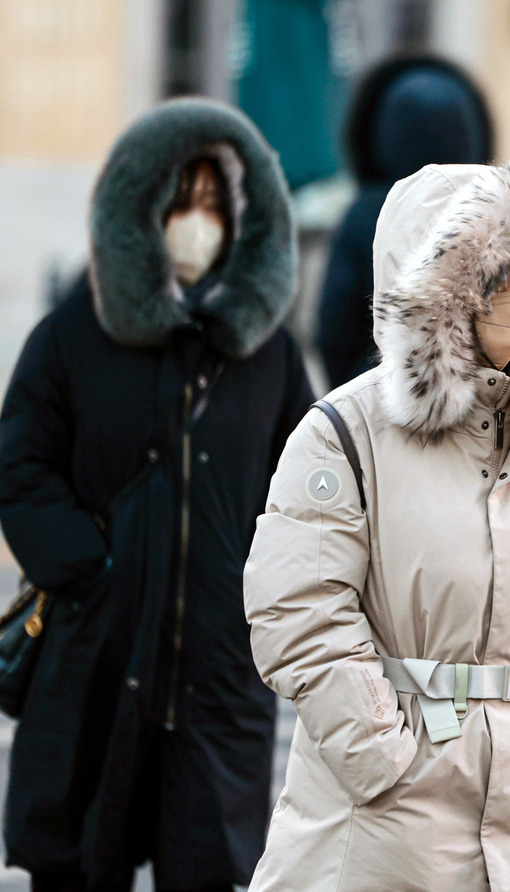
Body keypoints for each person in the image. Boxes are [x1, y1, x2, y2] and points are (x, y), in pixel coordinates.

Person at [243, 154, 510, 891]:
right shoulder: (346, 432)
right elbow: (297, 607)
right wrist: (382, 753)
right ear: (433, 294)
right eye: (491, 283)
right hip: (395, 822)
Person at [0, 99, 313, 892]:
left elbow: (311, 491)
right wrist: (87, 568)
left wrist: (260, 591)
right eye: (181, 200)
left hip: (218, 673)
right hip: (93, 662)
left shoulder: (268, 354)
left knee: (205, 870)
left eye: (214, 204)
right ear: (140, 207)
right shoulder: (72, 336)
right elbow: (20, 466)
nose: (197, 222)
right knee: (77, 864)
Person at [316, 54, 493, 387]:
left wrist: (349, 393)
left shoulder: (365, 213)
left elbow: (336, 325)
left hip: (380, 391)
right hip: (478, 392)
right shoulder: (493, 211)